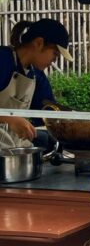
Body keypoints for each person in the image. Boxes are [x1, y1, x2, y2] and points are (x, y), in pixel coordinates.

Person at [0, 18, 73, 150]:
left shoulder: (36, 75)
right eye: (55, 54)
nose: (53, 61)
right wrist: (9, 119)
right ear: (39, 43)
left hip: (14, 150)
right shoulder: (3, 60)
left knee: (47, 139)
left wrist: (71, 123)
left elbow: (49, 111)